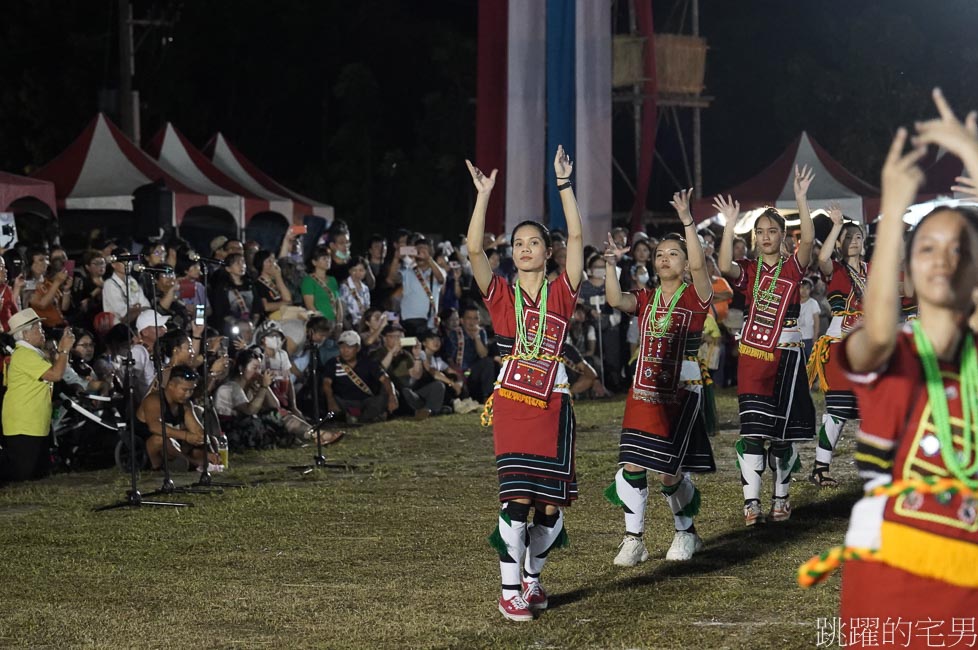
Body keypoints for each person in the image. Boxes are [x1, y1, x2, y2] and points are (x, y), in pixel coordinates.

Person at [800, 93, 978, 631]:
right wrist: (893, 212)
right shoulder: (890, 353)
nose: (943, 259)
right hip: (891, 586)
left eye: (959, 249)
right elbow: (873, 330)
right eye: (926, 248)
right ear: (904, 267)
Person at [466, 146, 583, 622]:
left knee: (550, 509)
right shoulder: (498, 294)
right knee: (517, 498)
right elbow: (475, 249)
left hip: (554, 402)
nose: (525, 249)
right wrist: (483, 196)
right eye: (518, 243)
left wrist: (564, 185)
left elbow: (577, 233)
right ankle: (508, 589)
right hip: (513, 402)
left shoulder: (562, 291)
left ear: (547, 251)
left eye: (533, 242)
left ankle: (532, 578)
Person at [603, 189, 716, 566]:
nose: (665, 259)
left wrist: (687, 221)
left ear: (685, 263)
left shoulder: (696, 296)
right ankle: (634, 539)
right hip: (643, 386)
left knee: (669, 470)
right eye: (659, 254)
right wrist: (609, 265)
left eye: (673, 254)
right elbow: (616, 300)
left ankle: (686, 533)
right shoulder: (647, 298)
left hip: (681, 387)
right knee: (632, 463)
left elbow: (701, 268)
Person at [717, 165, 817, 526]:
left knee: (782, 435)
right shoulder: (748, 269)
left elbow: (807, 242)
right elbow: (723, 264)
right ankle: (751, 503)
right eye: (760, 231)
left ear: (782, 235)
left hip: (788, 355)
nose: (765, 236)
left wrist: (801, 199)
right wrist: (730, 223)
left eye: (772, 231)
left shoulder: (792, 268)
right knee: (753, 432)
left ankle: (781, 498)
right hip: (754, 357)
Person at [805, 204, 865, 487]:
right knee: (837, 411)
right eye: (849, 237)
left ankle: (875, 469)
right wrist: (837, 226)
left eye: (859, 237)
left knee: (872, 408)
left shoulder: (872, 270)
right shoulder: (836, 270)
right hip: (839, 344)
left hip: (868, 347)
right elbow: (822, 256)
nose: (854, 241)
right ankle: (820, 467)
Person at [1, 310, 74, 481]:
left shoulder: (30, 354)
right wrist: (64, 351)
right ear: (25, 334)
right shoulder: (24, 355)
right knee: (21, 474)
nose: (43, 333)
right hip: (24, 422)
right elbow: (55, 375)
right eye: (38, 329)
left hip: (32, 421)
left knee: (38, 472)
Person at [136, 365, 220, 472]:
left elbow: (197, 429)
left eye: (191, 390)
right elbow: (155, 427)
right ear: (171, 385)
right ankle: (191, 463)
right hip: (148, 447)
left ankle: (199, 460)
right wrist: (186, 436)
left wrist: (208, 447)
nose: (188, 394)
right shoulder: (154, 400)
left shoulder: (186, 405)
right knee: (160, 439)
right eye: (184, 390)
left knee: (210, 440)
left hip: (175, 445)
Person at [322, 330, 397, 424]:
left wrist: (392, 396)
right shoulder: (333, 363)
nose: (345, 350)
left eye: (349, 346)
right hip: (345, 402)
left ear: (358, 348)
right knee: (331, 398)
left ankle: (358, 417)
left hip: (367, 402)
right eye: (342, 346)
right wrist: (330, 400)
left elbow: (385, 379)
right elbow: (326, 383)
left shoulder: (368, 362)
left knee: (387, 395)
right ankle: (364, 417)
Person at [443, 304, 497, 403]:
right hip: (458, 374)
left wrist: (476, 337)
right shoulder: (454, 334)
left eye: (475, 318)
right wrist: (458, 375)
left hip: (473, 374)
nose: (472, 322)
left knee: (488, 362)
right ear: (462, 320)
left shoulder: (481, 333)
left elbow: (483, 355)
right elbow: (448, 358)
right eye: (469, 318)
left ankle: (487, 398)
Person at [398, 237, 445, 335]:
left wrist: (428, 258)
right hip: (410, 321)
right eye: (417, 249)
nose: (420, 252)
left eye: (424, 249)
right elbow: (391, 279)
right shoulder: (407, 271)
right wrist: (396, 258)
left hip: (430, 322)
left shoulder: (437, 271)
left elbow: (441, 279)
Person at [102, 250, 152, 324]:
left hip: (139, 321)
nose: (128, 264)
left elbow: (146, 305)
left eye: (129, 260)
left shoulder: (132, 280)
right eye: (124, 261)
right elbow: (123, 313)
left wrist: (136, 309)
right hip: (120, 327)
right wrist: (138, 309)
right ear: (114, 264)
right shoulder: (109, 284)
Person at [302, 245, 343, 324]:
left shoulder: (332, 280)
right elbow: (310, 306)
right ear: (314, 262)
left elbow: (338, 303)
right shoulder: (308, 281)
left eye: (329, 258)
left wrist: (339, 323)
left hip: (334, 321)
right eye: (324, 258)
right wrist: (322, 323)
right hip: (319, 323)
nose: (328, 260)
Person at [797, 278, 821, 360]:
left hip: (808, 338)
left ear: (810, 290)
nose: (804, 290)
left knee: (810, 360)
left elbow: (816, 321)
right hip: (795, 338)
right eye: (802, 287)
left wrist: (815, 336)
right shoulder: (794, 302)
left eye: (807, 288)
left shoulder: (813, 303)